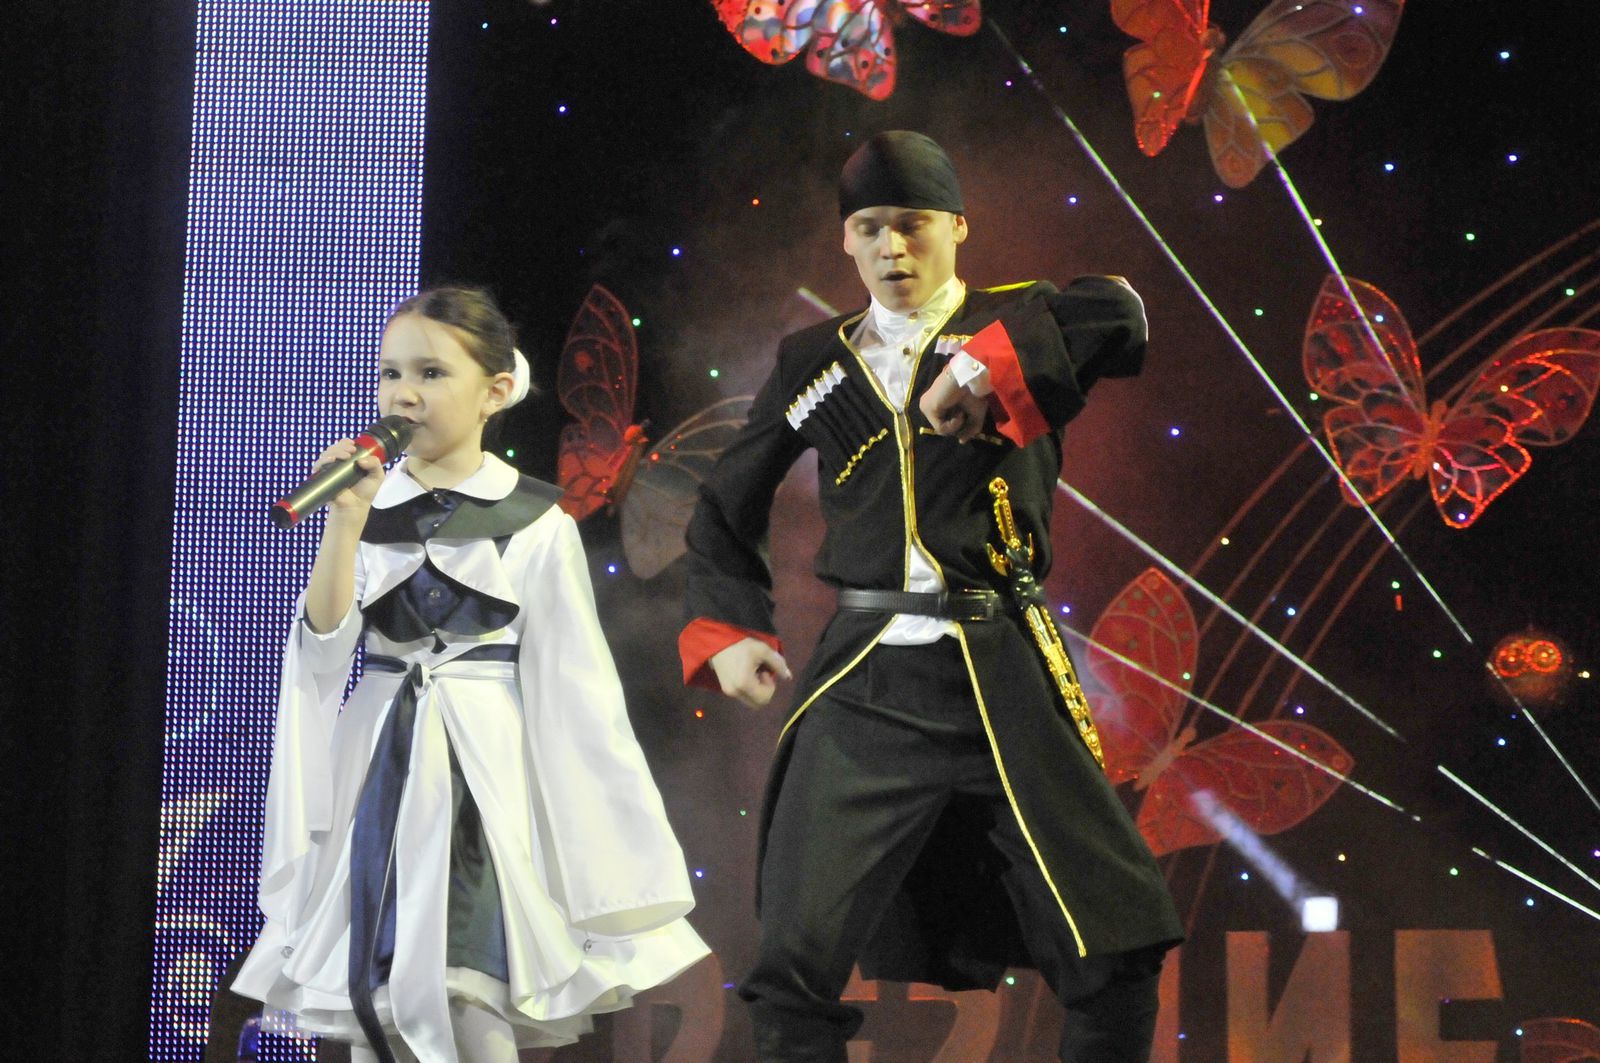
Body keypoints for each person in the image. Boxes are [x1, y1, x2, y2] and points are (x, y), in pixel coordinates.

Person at [679, 131, 1184, 1062]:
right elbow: (722, 505)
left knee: (1116, 950)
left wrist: (987, 366)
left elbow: (1123, 313)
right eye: (870, 228)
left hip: (1004, 675)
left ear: (956, 226)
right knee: (790, 970)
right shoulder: (812, 359)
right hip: (866, 684)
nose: (892, 248)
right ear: (846, 240)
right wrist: (733, 627)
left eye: (912, 224)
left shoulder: (1020, 319)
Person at [234, 287, 709, 1062]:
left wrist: (598, 845)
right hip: (378, 773)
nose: (403, 393)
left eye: (430, 372)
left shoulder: (538, 520)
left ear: (495, 390)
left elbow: (577, 689)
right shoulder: (365, 504)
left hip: (484, 784)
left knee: (469, 994)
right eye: (390, 373)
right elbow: (322, 650)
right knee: (375, 1007)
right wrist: (345, 522)